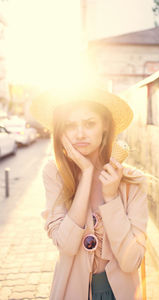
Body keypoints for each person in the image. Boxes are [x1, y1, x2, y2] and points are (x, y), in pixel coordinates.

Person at [30, 86, 148, 300]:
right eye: (70, 125)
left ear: (105, 126)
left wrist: (111, 198)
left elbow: (132, 261)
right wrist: (86, 174)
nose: (80, 133)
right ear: (61, 131)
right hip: (71, 289)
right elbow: (66, 244)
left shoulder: (134, 182)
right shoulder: (55, 174)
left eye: (89, 123)